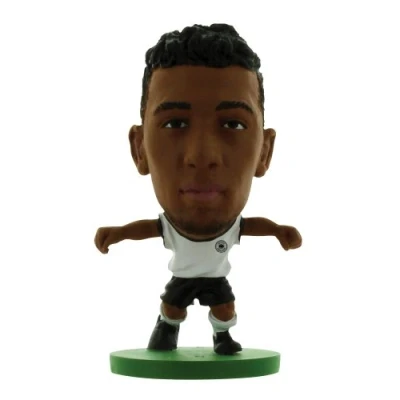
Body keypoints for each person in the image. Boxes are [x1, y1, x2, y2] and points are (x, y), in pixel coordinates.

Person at [94, 23, 302, 355]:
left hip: (216, 280)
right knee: (173, 306)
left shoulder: (232, 227)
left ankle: (222, 337)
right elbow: (147, 229)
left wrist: (277, 230)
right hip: (181, 278)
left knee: (224, 309)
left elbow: (255, 227)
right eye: (175, 123)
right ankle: (166, 329)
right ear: (140, 149)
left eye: (233, 124)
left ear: (264, 152)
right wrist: (119, 233)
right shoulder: (171, 228)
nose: (202, 157)